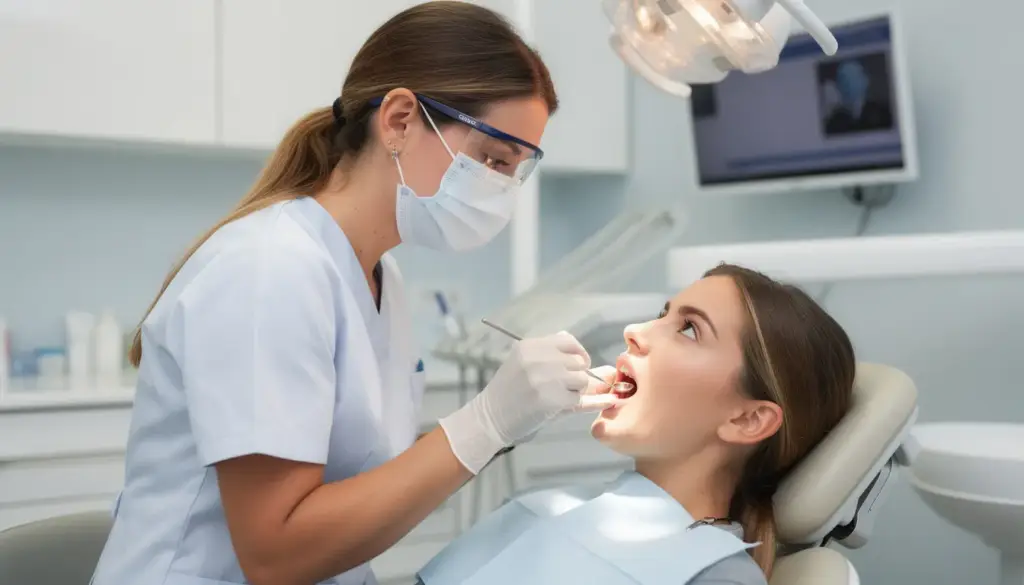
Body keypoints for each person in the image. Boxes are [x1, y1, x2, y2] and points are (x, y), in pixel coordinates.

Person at [89, 3, 621, 585]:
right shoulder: (270, 271)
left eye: (516, 168)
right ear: (398, 120)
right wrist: (485, 422)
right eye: (493, 158)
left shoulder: (377, 277)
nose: (500, 189)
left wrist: (514, 415)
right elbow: (276, 553)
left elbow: (353, 468)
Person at [415, 264, 856, 585]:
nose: (634, 331)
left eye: (688, 330)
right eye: (663, 314)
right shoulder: (546, 507)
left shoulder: (716, 577)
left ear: (747, 418)